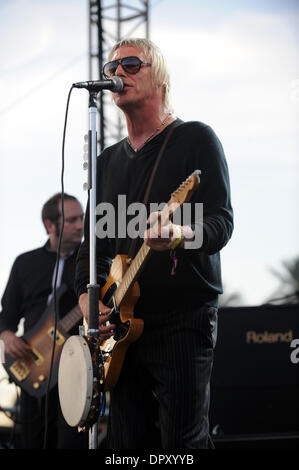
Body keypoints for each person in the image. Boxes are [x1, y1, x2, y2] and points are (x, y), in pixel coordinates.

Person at [75, 38, 234, 449]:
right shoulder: (107, 161)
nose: (117, 75)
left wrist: (180, 235)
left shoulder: (195, 139)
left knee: (184, 442)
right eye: (112, 69)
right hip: (122, 331)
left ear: (159, 77)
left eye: (130, 64)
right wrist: (86, 300)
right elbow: (91, 247)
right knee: (128, 444)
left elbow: (222, 223)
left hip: (183, 317)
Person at [0, 192, 88, 449]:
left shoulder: (91, 261)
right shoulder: (25, 263)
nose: (81, 225)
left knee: (72, 441)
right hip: (31, 365)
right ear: (50, 225)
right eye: (72, 219)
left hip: (74, 366)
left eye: (82, 218)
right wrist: (6, 334)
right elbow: (7, 314)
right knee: (33, 441)